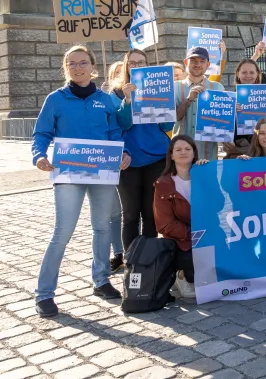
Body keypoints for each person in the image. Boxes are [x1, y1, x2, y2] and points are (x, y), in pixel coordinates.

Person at [32, 46, 132, 318]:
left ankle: (101, 280)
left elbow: (114, 132)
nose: (78, 67)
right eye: (72, 63)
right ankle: (44, 293)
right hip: (68, 173)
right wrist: (39, 155)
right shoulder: (56, 99)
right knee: (62, 232)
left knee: (102, 227)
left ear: (93, 66)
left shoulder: (106, 100)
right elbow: (41, 133)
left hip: (102, 171)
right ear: (66, 68)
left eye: (83, 62)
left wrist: (122, 152)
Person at [111, 49, 175, 262]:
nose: (137, 66)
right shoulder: (116, 93)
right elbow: (122, 124)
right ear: (126, 66)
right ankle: (131, 260)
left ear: (147, 65)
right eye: (132, 63)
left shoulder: (157, 89)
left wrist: (166, 104)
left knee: (150, 212)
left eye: (141, 62)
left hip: (156, 158)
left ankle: (148, 260)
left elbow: (167, 126)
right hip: (128, 161)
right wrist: (128, 101)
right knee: (130, 214)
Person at [154, 135, 210, 300]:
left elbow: (219, 204)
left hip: (206, 234)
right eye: (178, 149)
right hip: (181, 240)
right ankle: (181, 275)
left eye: (187, 149)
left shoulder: (204, 176)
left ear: (194, 153)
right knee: (192, 263)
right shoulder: (163, 184)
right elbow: (164, 225)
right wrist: (194, 234)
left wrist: (209, 174)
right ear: (171, 155)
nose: (183, 152)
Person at [173, 46, 225, 161]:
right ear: (186, 62)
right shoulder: (175, 87)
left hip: (207, 153)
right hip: (181, 154)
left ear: (208, 64)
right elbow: (174, 117)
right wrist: (189, 99)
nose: (198, 64)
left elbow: (222, 121)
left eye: (202, 61)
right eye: (193, 61)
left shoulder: (217, 88)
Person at [224, 59, 266, 159]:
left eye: (252, 72)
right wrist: (231, 114)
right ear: (238, 74)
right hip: (238, 152)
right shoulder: (229, 98)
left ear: (257, 74)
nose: (248, 76)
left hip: (263, 150)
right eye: (244, 72)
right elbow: (223, 129)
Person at [102, 62, 126, 272]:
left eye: (122, 72)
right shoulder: (105, 99)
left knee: (130, 212)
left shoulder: (138, 95)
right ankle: (117, 253)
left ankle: (132, 250)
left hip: (130, 157)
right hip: (109, 160)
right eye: (116, 73)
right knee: (114, 212)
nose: (121, 75)